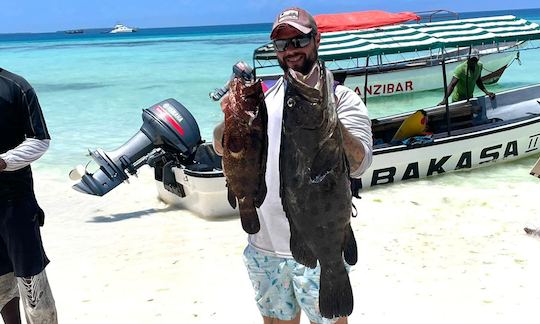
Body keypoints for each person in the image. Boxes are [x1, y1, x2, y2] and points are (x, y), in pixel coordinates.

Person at [213, 7, 373, 324]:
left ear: (316, 40)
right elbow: (223, 147)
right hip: (263, 244)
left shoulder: (342, 100)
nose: (291, 50)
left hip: (319, 242)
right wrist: (230, 117)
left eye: (299, 40)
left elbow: (360, 163)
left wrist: (328, 123)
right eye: (282, 44)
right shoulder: (266, 99)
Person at [0, 68, 58, 324]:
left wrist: (3, 162)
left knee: (31, 277)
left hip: (14, 200)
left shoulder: (16, 87)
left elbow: (40, 140)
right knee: (1, 278)